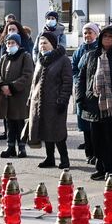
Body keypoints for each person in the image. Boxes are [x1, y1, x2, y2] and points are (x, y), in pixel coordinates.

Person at [78, 25, 112, 179]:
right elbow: (82, 77)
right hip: (92, 103)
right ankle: (100, 167)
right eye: (104, 36)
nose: (106, 39)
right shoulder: (91, 55)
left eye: (110, 36)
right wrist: (81, 97)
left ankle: (111, 169)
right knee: (95, 139)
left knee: (109, 139)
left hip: (111, 106)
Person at [27, 30, 73, 168]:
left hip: (55, 102)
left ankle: (64, 159)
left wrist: (63, 100)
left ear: (53, 44)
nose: (43, 46)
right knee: (45, 130)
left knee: (57, 132)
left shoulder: (63, 60)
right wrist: (30, 99)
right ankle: (50, 158)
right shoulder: (41, 60)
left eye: (45, 43)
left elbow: (67, 82)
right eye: (41, 43)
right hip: (40, 102)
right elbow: (34, 83)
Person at [0, 28, 33, 158]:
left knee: (19, 122)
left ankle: (22, 147)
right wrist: (2, 85)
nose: (10, 45)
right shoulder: (4, 57)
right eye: (8, 43)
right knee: (9, 122)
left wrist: (12, 87)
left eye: (13, 43)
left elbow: (27, 75)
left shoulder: (25, 56)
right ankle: (10, 146)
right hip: (5, 96)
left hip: (19, 95)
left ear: (18, 44)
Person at [71, 22, 100, 159]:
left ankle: (96, 152)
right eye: (85, 33)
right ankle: (89, 151)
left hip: (94, 89)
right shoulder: (79, 50)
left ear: (96, 34)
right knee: (83, 122)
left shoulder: (99, 48)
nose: (87, 35)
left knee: (94, 124)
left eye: (90, 32)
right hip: (81, 87)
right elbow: (74, 68)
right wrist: (78, 79)